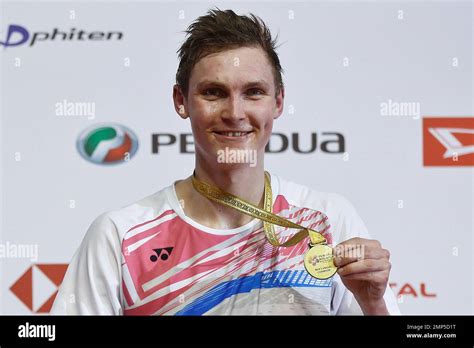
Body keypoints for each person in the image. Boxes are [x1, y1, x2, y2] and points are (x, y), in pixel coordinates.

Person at [51, 9, 400, 315]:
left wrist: (374, 305)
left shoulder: (327, 219)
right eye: (214, 92)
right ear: (181, 100)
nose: (234, 113)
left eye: (253, 92)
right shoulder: (119, 236)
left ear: (278, 102)